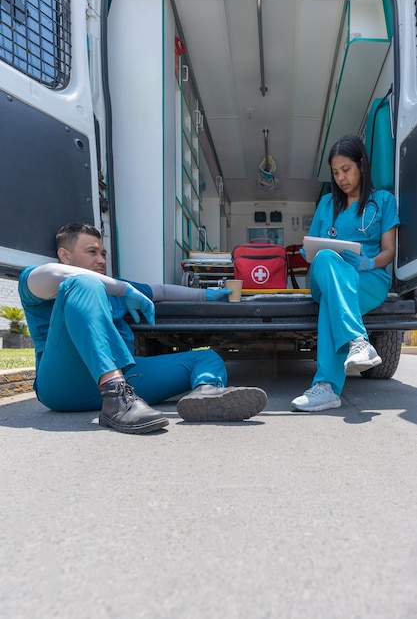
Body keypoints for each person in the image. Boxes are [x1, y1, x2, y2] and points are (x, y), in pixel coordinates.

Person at [18, 223, 267, 434]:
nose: (101, 260)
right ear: (65, 255)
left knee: (206, 357)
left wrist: (208, 295)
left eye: (103, 253)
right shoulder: (42, 284)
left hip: (129, 380)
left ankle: (206, 394)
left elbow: (161, 291)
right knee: (84, 283)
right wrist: (122, 290)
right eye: (92, 252)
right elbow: (52, 273)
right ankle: (115, 397)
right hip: (63, 384)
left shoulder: (114, 285)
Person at [291, 134, 399, 412]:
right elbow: (313, 244)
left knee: (332, 301)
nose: (341, 178)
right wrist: (308, 252)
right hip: (325, 274)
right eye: (336, 172)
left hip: (369, 278)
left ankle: (326, 388)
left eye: (346, 170)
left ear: (361, 165)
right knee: (327, 258)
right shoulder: (327, 204)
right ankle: (357, 341)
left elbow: (388, 251)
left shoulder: (384, 201)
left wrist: (368, 262)